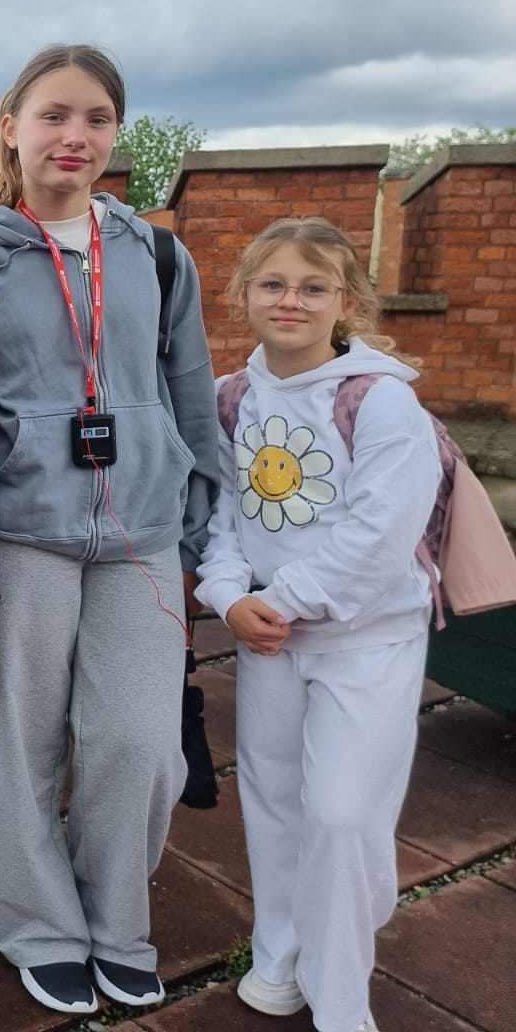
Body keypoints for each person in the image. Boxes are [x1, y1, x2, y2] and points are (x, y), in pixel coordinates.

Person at [0, 44, 218, 1015]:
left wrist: (200, 527)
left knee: (140, 742)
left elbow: (190, 396)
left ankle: (116, 921)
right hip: (22, 536)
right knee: (24, 748)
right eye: (54, 115)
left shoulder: (157, 255)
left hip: (142, 534)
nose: (74, 136)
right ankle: (41, 927)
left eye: (96, 118)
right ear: (9, 126)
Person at [195, 217, 440, 1032]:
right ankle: (281, 956)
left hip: (366, 642)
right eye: (273, 284)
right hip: (268, 640)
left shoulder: (382, 401)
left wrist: (285, 600)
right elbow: (224, 515)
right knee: (274, 804)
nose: (290, 301)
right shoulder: (231, 397)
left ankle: (341, 999)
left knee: (342, 813)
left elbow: (378, 537)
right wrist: (228, 595)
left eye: (313, 287)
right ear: (244, 294)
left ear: (347, 301)